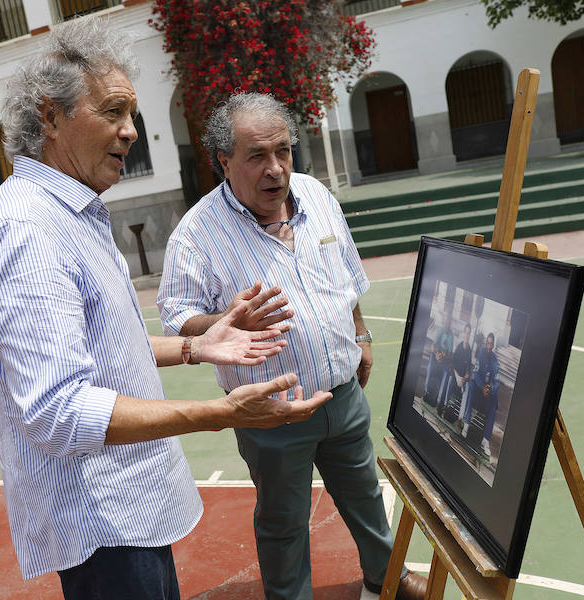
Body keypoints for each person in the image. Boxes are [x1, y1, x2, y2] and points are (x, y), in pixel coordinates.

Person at [0, 21, 331, 600]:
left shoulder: (67, 212)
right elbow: (59, 410)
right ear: (50, 116)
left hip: (124, 509)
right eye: (112, 111)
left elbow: (104, 346)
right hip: (103, 522)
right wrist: (221, 411)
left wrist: (196, 347)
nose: (130, 132)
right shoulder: (27, 231)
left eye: (131, 114)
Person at [157, 93, 427, 600]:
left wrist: (361, 333)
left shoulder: (316, 196)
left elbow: (346, 275)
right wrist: (227, 320)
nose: (275, 169)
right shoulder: (195, 235)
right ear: (223, 162)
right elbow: (178, 321)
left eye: (282, 151)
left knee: (365, 494)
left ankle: (386, 576)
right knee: (283, 519)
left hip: (343, 391)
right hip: (269, 410)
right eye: (257, 155)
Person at [461, 332, 501, 457]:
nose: (489, 346)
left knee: (494, 403)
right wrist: (483, 386)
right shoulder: (481, 354)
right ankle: (466, 425)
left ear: (493, 345)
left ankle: (486, 440)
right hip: (479, 391)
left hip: (487, 394)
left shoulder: (495, 361)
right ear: (486, 343)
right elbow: (476, 374)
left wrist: (490, 388)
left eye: (491, 344)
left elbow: (497, 381)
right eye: (487, 343)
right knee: (472, 385)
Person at [438, 322, 472, 420]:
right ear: (463, 333)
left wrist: (464, 378)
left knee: (467, 389)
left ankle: (460, 419)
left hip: (461, 380)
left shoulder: (469, 351)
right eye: (466, 332)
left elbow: (468, 370)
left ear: (470, 335)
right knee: (450, 379)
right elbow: (452, 364)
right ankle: (444, 405)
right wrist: (457, 377)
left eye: (469, 333)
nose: (467, 335)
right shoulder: (459, 347)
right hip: (455, 375)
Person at [424, 311, 453, 407]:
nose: (447, 325)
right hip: (436, 355)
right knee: (430, 365)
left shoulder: (451, 336)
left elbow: (450, 354)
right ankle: (426, 391)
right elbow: (433, 346)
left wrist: (444, 355)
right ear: (444, 322)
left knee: (445, 373)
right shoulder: (440, 330)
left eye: (449, 324)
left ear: (450, 324)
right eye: (446, 323)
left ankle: (439, 399)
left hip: (444, 360)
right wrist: (437, 354)